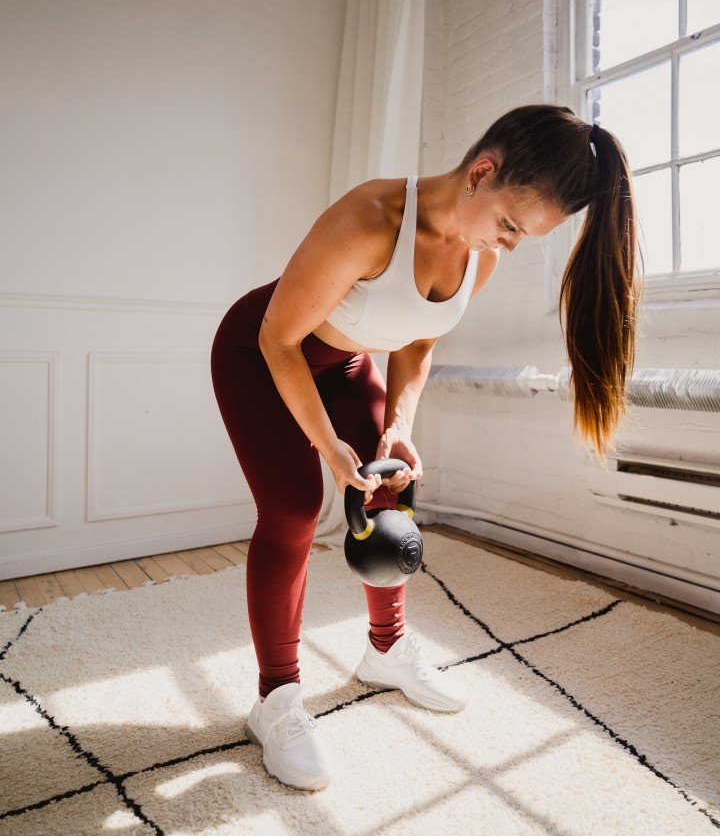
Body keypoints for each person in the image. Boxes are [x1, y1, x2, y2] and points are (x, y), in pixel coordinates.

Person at [210, 103, 642, 791]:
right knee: (294, 510)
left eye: (522, 238)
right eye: (507, 224)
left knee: (389, 488)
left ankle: (387, 652)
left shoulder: (480, 256)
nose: (505, 246)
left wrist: (399, 424)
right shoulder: (371, 217)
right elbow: (278, 339)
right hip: (261, 351)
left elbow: (418, 338)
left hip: (348, 361)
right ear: (481, 171)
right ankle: (276, 698)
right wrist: (327, 445)